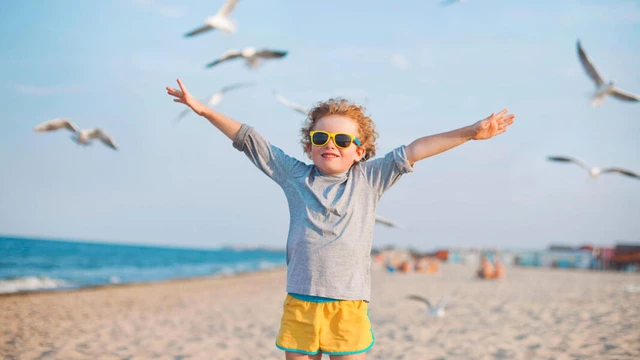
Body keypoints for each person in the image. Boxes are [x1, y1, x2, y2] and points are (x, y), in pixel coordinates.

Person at [166, 78, 515, 360]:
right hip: (301, 302)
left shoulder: (370, 178)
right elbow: (249, 140)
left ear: (359, 151)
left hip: (348, 305)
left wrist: (470, 132)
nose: (330, 143)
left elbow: (417, 149)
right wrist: (202, 110)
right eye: (321, 137)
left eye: (342, 139)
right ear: (309, 146)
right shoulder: (295, 176)